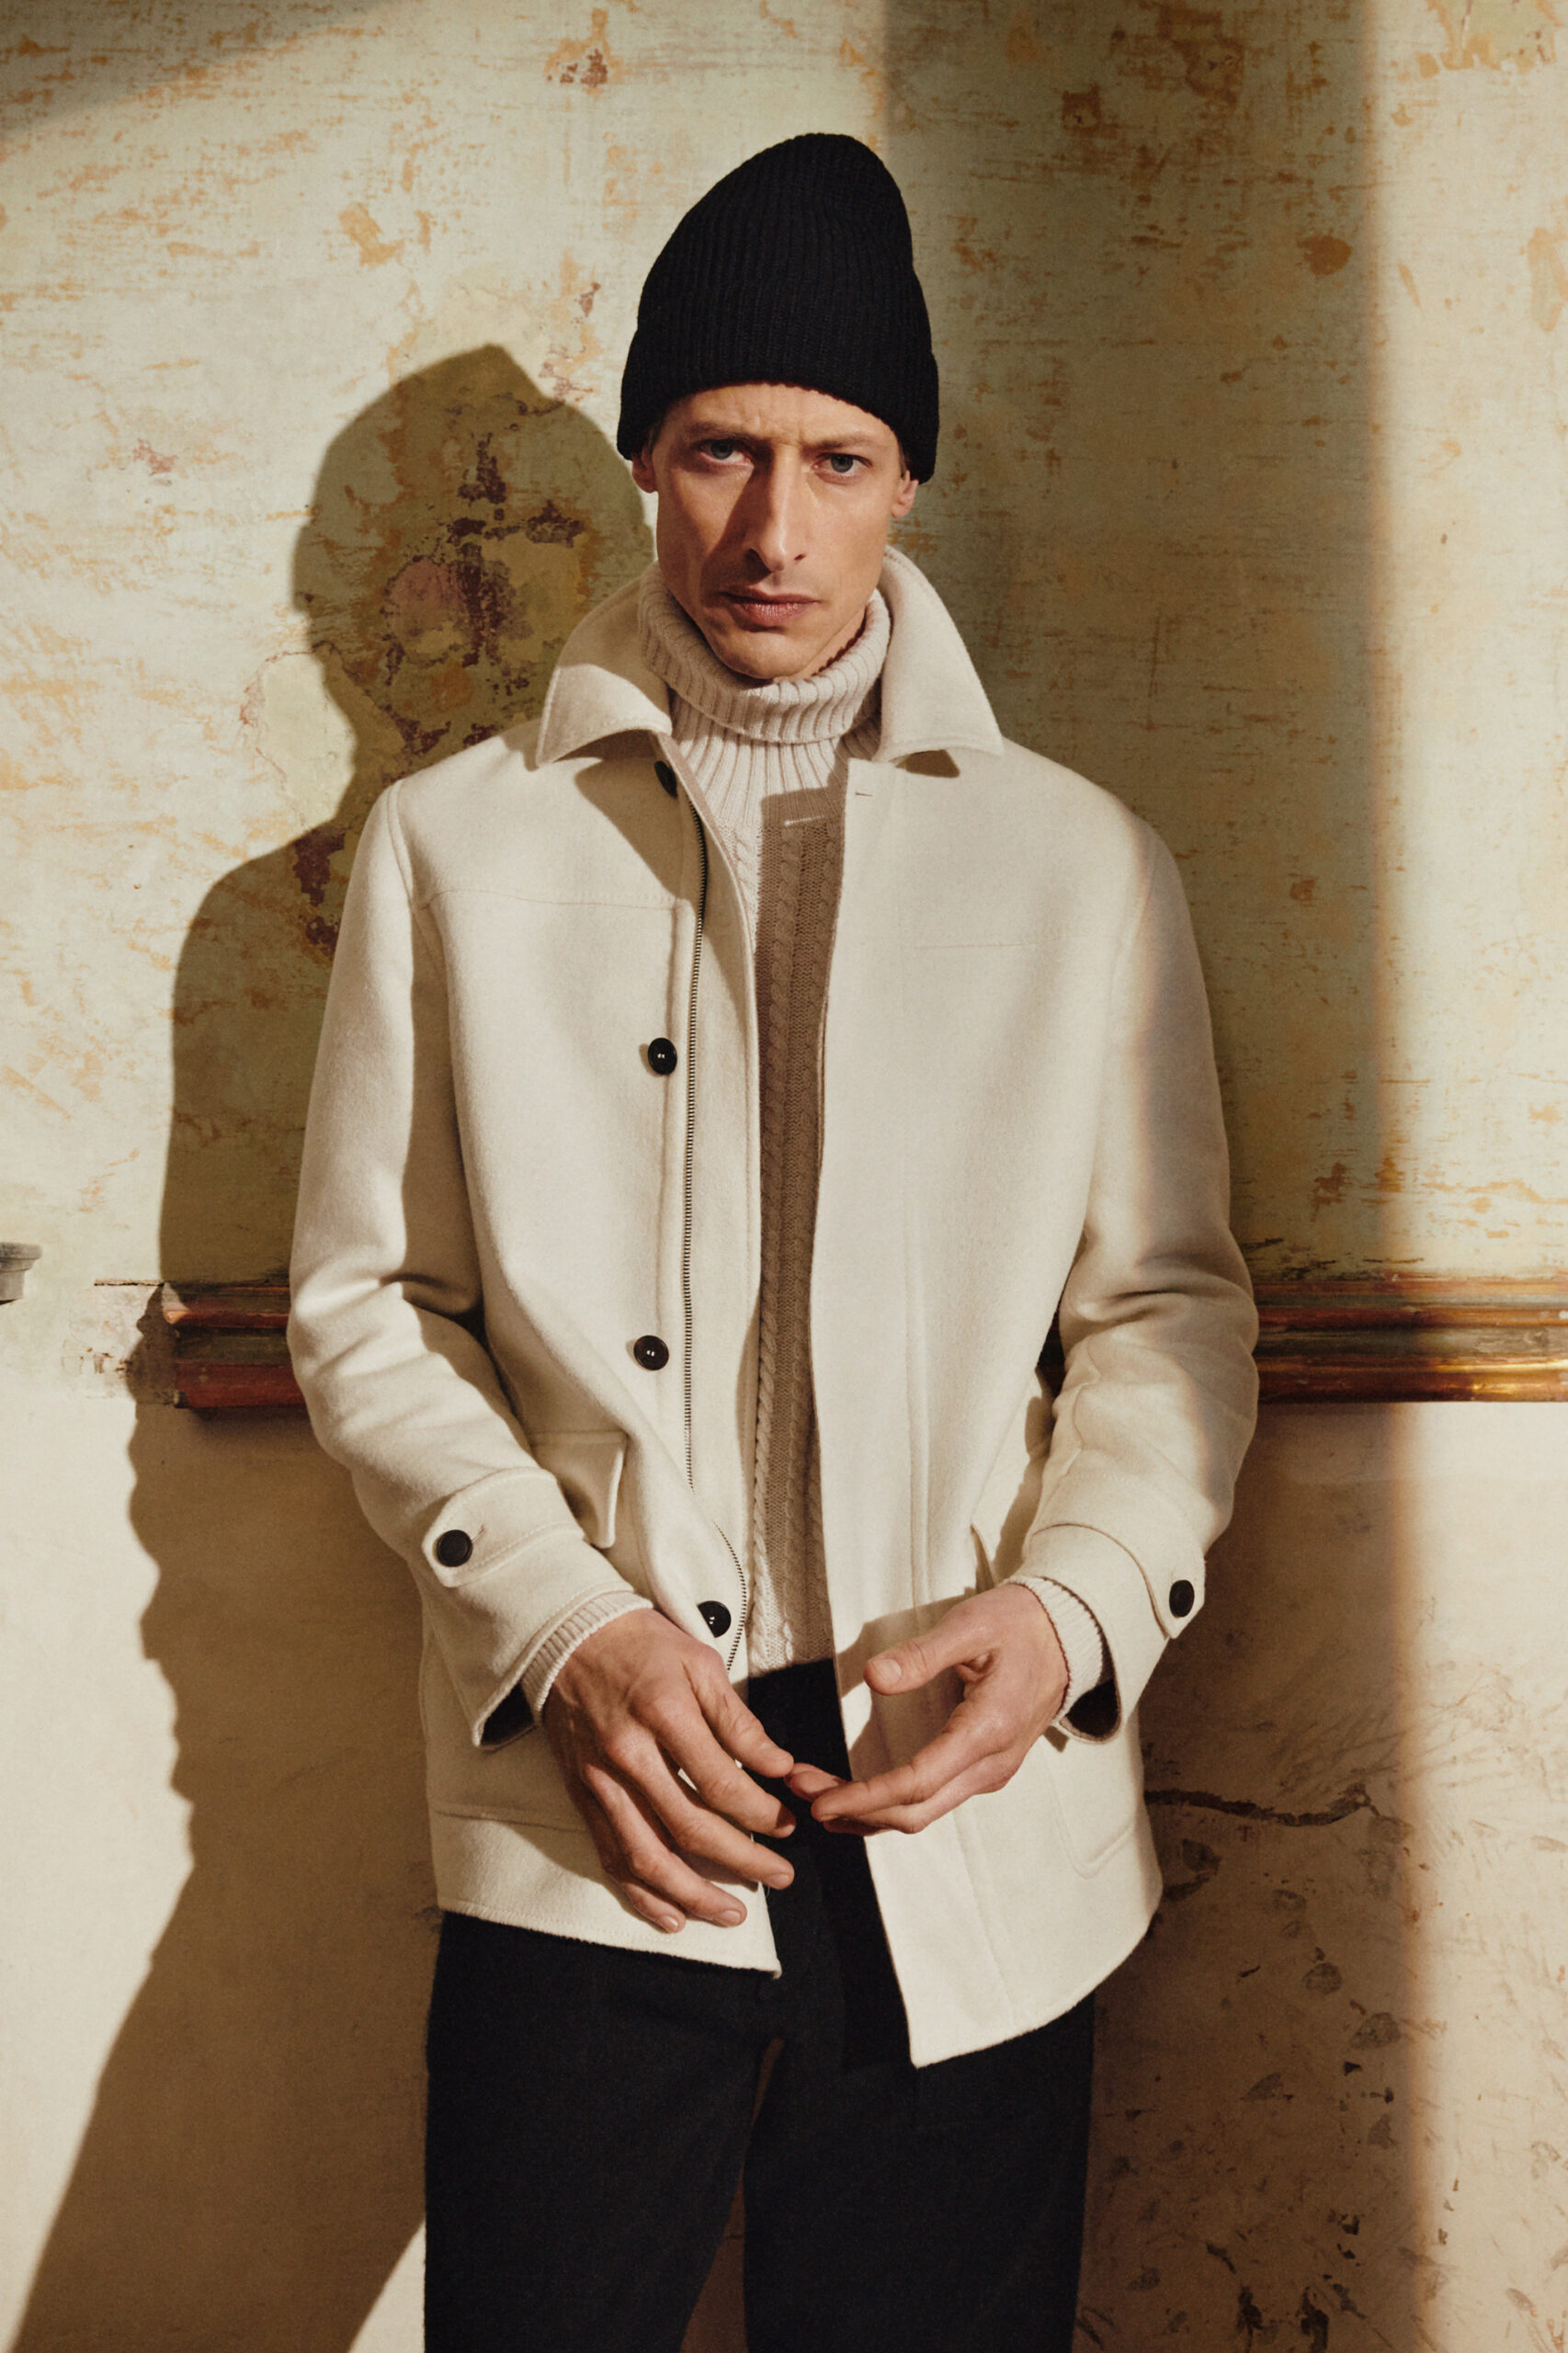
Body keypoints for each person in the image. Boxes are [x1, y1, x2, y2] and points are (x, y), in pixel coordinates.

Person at [289, 133, 1258, 2353]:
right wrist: (564, 1626)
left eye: (838, 459)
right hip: (592, 1776)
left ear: (911, 479)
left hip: (962, 1797)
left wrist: (1072, 1610)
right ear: (646, 456)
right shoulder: (449, 849)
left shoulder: (1082, 862)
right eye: (722, 448)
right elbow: (368, 1303)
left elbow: (1167, 1311)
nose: (772, 528)